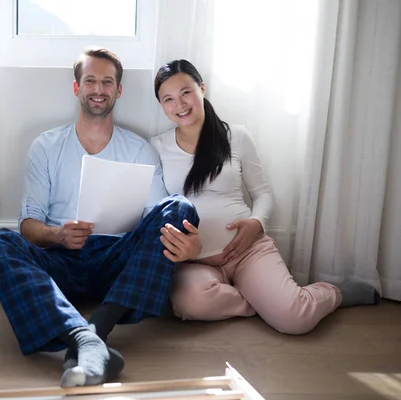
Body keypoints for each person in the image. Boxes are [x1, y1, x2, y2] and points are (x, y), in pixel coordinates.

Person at [0, 48, 200, 388]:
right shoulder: (46, 146)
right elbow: (28, 225)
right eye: (90, 81)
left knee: (179, 206)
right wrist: (57, 235)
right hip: (60, 261)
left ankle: (99, 326)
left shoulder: (139, 149)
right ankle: (84, 338)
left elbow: (160, 216)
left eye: (107, 82)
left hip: (118, 261)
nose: (99, 89)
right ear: (76, 88)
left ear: (118, 90)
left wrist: (186, 240)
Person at [152, 59, 380, 335]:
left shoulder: (236, 136)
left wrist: (256, 223)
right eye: (168, 99)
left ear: (201, 88)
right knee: (190, 304)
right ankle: (265, 302)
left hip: (248, 251)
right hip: (195, 261)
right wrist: (187, 248)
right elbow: (158, 210)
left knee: (296, 321)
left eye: (186, 92)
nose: (180, 104)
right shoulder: (158, 147)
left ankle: (333, 293)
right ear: (162, 106)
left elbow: (262, 194)